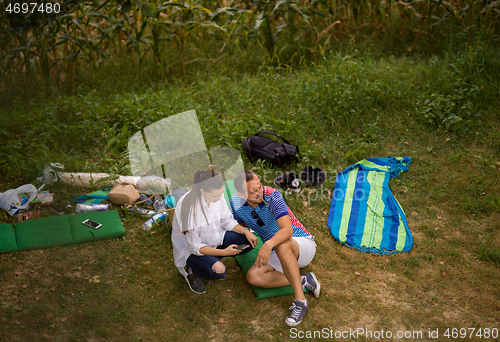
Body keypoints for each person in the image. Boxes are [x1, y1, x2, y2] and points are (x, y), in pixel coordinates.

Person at [230, 170, 320, 327]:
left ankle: (301, 302)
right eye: (253, 191)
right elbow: (240, 223)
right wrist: (245, 232)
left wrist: (268, 244)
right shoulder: (235, 203)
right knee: (254, 277)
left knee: (281, 243)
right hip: (276, 250)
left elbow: (287, 231)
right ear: (241, 194)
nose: (260, 192)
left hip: (300, 244)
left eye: (259, 187)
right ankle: (304, 280)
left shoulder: (273, 196)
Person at [171, 168, 258, 294]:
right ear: (202, 191)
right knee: (219, 271)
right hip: (193, 251)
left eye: (220, 194)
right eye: (215, 196)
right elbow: (195, 247)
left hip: (215, 238)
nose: (219, 199)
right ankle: (192, 270)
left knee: (249, 241)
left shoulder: (216, 194)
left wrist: (245, 231)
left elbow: (226, 220)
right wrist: (224, 252)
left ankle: (212, 259)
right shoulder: (191, 210)